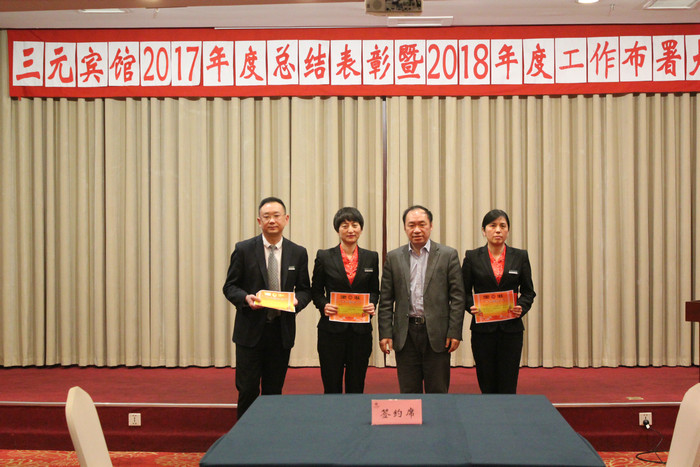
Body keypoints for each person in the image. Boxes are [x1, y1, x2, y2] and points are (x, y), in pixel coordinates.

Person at [223, 197, 311, 419]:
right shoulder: (243, 249)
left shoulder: (298, 252)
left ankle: (270, 432)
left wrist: (297, 302)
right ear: (259, 221)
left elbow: (305, 290)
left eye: (276, 216)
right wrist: (245, 298)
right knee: (247, 389)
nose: (272, 220)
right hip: (250, 332)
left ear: (286, 219)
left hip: (280, 332)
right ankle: (245, 434)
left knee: (274, 391)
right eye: (266, 217)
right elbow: (230, 286)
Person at [378, 205, 465, 393]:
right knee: (409, 391)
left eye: (422, 224)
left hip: (438, 333)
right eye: (411, 225)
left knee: (438, 391)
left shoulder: (448, 255)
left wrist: (454, 331)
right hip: (406, 333)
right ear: (405, 228)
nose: (417, 230)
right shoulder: (394, 257)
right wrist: (385, 333)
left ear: (431, 226)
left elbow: (457, 297)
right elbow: (385, 300)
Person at [462, 209, 536, 394]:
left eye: (502, 226)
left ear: (508, 230)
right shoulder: (472, 257)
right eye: (492, 225)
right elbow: (463, 292)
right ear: (483, 230)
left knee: (508, 381)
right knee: (486, 380)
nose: (497, 230)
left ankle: (507, 412)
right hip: (482, 330)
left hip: (511, 330)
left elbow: (529, 292)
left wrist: (521, 307)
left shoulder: (520, 256)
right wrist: (471, 306)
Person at [311, 207, 380, 393]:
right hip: (331, 331)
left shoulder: (371, 257)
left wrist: (372, 304)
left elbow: (374, 291)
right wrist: (324, 306)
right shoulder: (324, 256)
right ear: (337, 229)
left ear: (361, 229)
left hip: (360, 332)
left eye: (355, 225)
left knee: (356, 385)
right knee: (331, 384)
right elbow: (316, 291)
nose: (350, 230)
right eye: (345, 225)